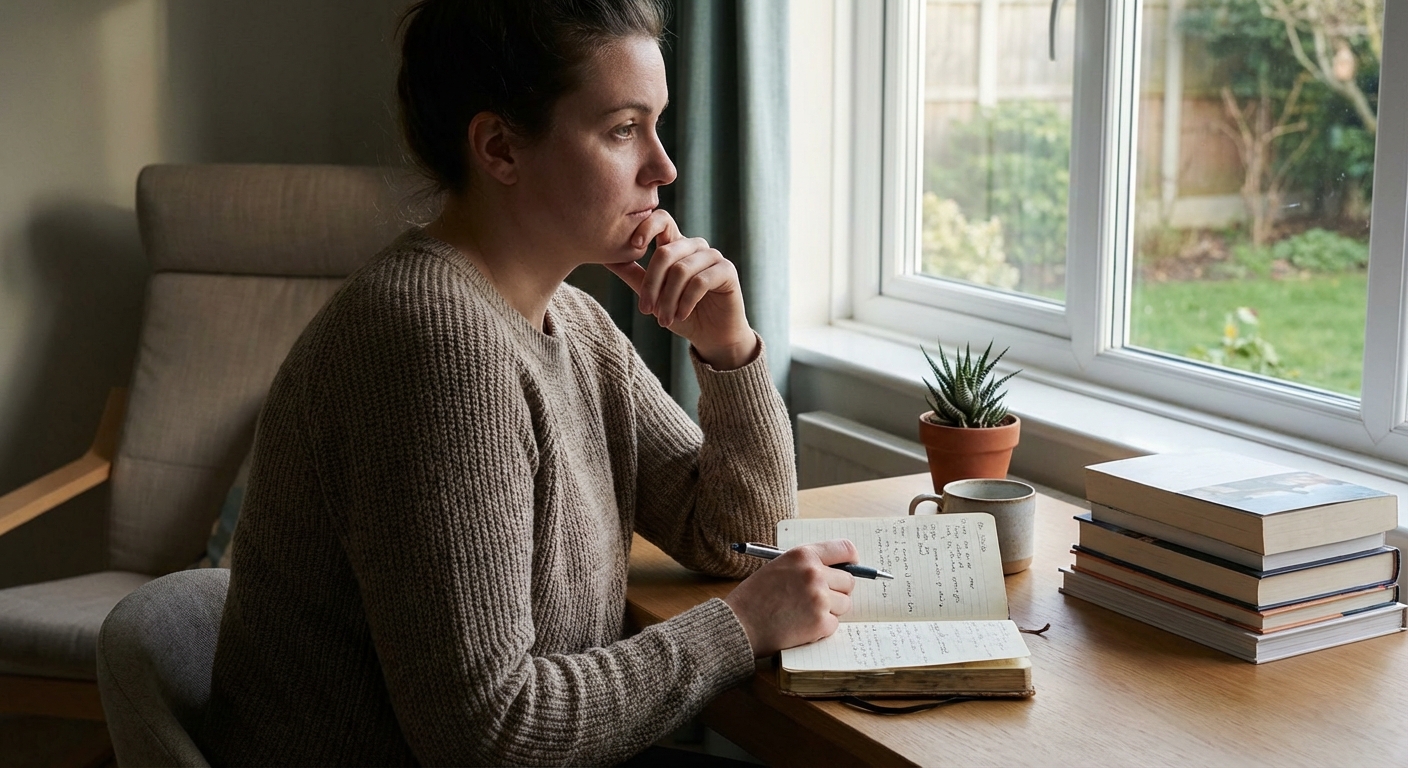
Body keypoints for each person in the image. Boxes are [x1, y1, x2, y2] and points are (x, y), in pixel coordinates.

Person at [200, 0, 858, 765]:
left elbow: (739, 537)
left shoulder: (570, 321)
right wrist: (739, 629)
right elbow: (489, 732)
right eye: (622, 129)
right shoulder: (435, 342)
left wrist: (729, 350)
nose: (664, 166)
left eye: (659, 123)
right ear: (501, 149)